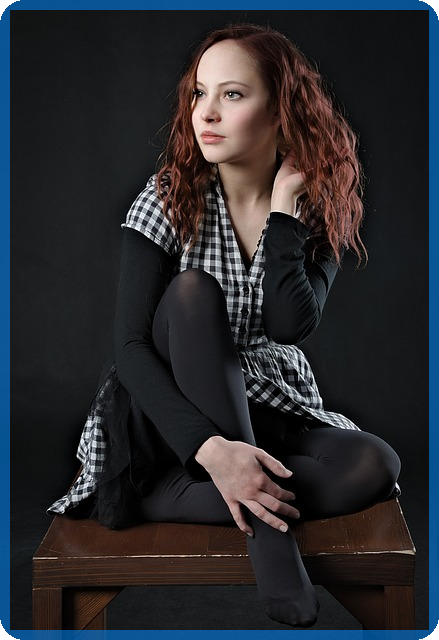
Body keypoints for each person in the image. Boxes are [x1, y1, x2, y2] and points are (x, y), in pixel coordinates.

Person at [49, 24, 401, 628]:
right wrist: (213, 449)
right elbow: (130, 348)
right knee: (192, 294)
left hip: (266, 403)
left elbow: (288, 327)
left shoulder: (316, 211)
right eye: (199, 93)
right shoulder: (165, 199)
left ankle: (180, 494)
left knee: (375, 464)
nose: (205, 113)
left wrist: (284, 215)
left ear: (283, 114)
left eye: (232, 94)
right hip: (171, 422)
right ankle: (268, 541)